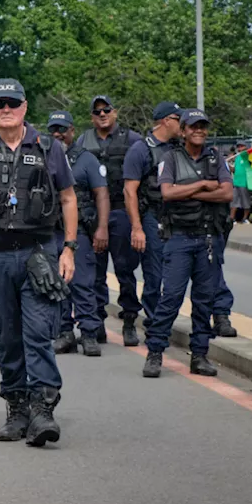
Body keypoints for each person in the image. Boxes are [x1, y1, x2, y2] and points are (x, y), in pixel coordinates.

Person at [0, 79, 77, 447]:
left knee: (39, 333)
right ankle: (17, 407)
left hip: (40, 253)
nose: (6, 109)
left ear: (24, 107)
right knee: (6, 336)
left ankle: (42, 409)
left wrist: (69, 248)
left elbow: (69, 199)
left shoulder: (48, 148)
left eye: (13, 103)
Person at [141, 109, 233, 378]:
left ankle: (200, 355)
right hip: (179, 238)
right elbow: (168, 193)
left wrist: (191, 191)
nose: (199, 131)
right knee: (170, 298)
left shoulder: (216, 158)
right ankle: (155, 352)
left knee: (204, 300)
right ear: (183, 131)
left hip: (208, 238)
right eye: (193, 127)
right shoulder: (170, 158)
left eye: (203, 127)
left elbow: (227, 193)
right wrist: (204, 184)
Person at [76, 95, 145, 345]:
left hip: (121, 211)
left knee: (125, 270)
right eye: (97, 112)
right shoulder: (84, 141)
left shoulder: (132, 140)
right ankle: (97, 321)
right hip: (93, 213)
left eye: (106, 110)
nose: (102, 115)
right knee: (94, 272)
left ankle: (129, 321)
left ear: (115, 113)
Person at [45, 111, 109, 357]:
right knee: (56, 285)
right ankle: (64, 333)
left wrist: (102, 228)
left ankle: (90, 333)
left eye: (62, 129)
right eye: (53, 130)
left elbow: (101, 194)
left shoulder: (86, 159)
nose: (57, 134)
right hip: (51, 231)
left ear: (72, 131)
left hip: (80, 231)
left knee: (82, 283)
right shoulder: (44, 157)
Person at [119, 101, 181, 345]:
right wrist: (136, 228)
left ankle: (163, 322)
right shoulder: (141, 150)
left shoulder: (180, 147)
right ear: (166, 120)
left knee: (176, 275)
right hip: (152, 217)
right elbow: (129, 191)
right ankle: (154, 326)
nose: (182, 124)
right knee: (154, 275)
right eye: (178, 118)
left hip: (179, 219)